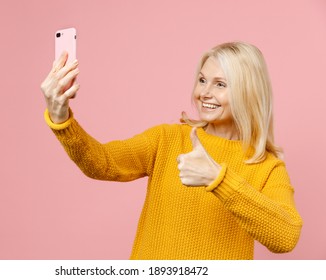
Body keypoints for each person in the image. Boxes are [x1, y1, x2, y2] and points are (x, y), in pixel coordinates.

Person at [40, 42, 303, 260]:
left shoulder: (267, 165)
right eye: (202, 80)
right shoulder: (167, 139)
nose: (204, 93)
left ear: (249, 93)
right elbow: (101, 162)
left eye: (220, 84)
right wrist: (61, 118)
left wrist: (219, 180)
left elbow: (286, 236)